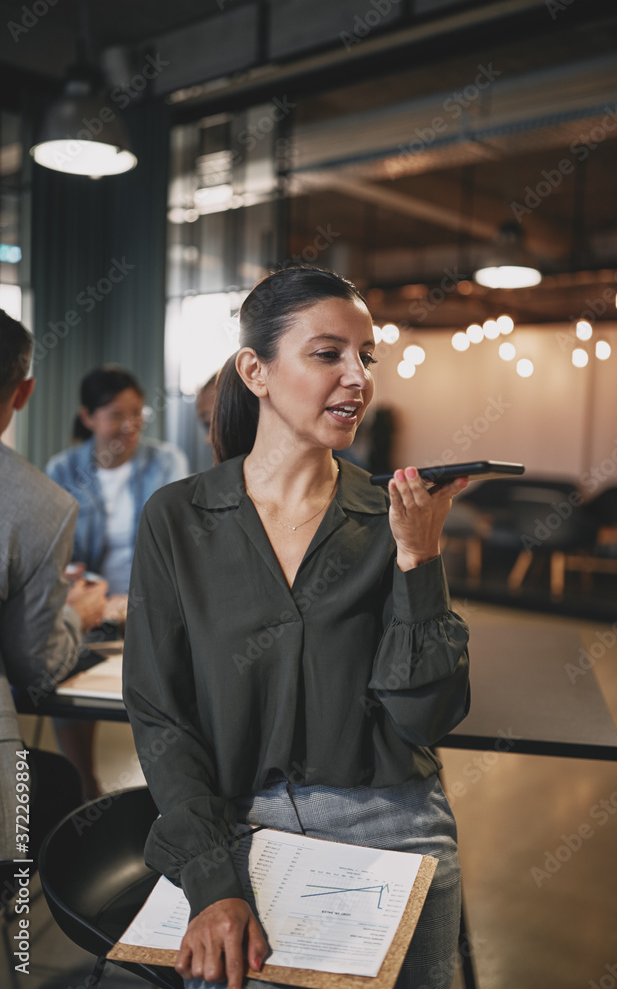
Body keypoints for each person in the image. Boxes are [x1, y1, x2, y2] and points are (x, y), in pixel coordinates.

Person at [122, 267, 471, 989]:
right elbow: (161, 715)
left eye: (365, 357)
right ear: (255, 370)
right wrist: (214, 882)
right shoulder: (177, 518)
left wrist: (419, 560)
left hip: (392, 825)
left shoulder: (391, 516)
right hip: (236, 827)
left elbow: (426, 716)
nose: (357, 378)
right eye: (327, 354)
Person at [45, 364, 189, 799]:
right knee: (65, 670)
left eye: (137, 414)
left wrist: (137, 600)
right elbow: (61, 553)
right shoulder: (64, 469)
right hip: (94, 603)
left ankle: (167, 791)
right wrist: (91, 593)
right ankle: (86, 785)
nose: (129, 427)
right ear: (88, 417)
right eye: (115, 415)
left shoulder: (166, 461)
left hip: (154, 597)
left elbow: (176, 544)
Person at [0, 310, 107, 868]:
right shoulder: (40, 501)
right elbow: (33, 671)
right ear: (25, 393)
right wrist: (77, 615)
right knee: (59, 783)